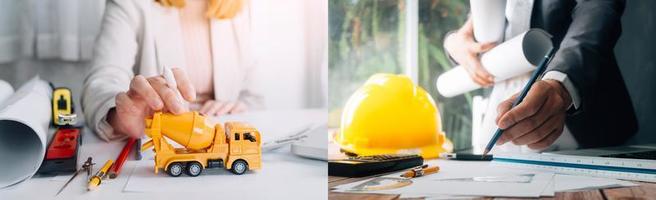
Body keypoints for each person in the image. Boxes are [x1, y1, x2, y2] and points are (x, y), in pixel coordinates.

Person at [444, 0, 637, 151]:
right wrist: (454, 41)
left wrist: (561, 85)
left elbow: (597, 8)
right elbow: (482, 21)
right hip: (498, 110)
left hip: (584, 123)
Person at [82, 0, 263, 141]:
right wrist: (121, 116)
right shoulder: (130, 4)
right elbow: (101, 81)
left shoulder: (240, 6)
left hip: (217, 139)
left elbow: (253, 97)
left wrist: (241, 107)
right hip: (159, 142)